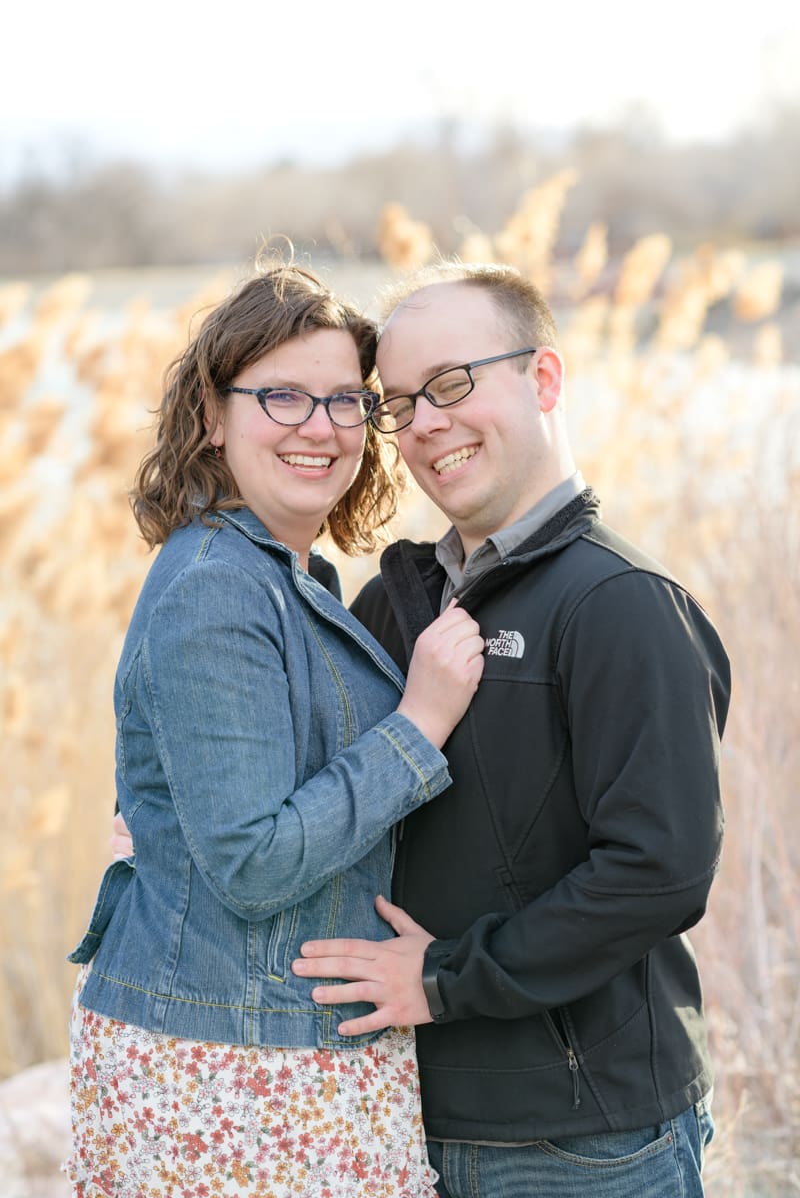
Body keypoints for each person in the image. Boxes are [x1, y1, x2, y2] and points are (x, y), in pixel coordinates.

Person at [291, 261, 732, 1197]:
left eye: (453, 384)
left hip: (584, 1142)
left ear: (544, 379)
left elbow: (659, 872)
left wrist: (444, 980)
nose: (426, 424)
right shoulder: (393, 605)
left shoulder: (620, 604)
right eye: (400, 404)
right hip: (405, 1117)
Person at [65, 260, 485, 1198]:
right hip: (227, 1070)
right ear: (213, 417)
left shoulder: (279, 577)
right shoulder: (219, 583)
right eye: (282, 396)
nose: (320, 428)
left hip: (276, 1051)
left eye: (344, 401)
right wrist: (419, 724)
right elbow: (252, 864)